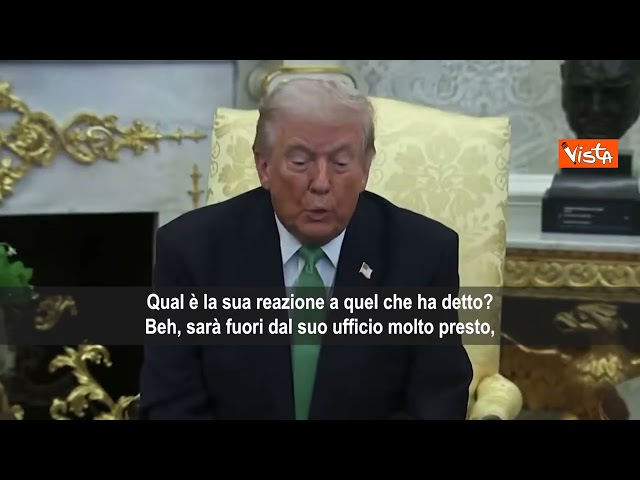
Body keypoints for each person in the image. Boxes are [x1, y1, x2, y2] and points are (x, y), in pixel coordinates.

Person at [138, 78, 474, 420]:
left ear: (365, 169)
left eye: (341, 163)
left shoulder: (424, 255)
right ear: (264, 166)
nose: (321, 183)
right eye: (300, 162)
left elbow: (438, 402)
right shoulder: (190, 251)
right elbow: (170, 404)